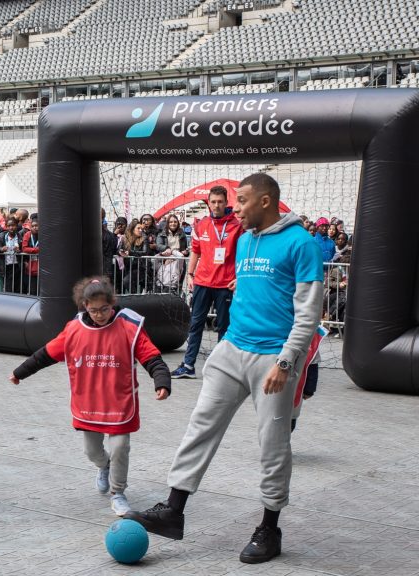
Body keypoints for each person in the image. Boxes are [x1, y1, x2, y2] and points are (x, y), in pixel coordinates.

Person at [124, 173, 325, 565]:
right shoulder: (246, 238)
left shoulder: (301, 244)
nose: (235, 207)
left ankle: (270, 528)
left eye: (243, 200)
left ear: (265, 202)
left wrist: (287, 361)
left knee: (273, 443)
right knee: (200, 425)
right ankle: (174, 510)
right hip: (232, 348)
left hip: (274, 358)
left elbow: (309, 313)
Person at [9, 277, 171, 516]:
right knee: (92, 451)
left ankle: (118, 493)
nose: (99, 314)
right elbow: (45, 354)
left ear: (113, 303)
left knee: (120, 448)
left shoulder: (128, 326)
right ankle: (103, 466)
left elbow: (152, 358)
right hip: (89, 404)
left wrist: (162, 382)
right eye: (93, 310)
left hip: (119, 403)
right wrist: (19, 372)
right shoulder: (74, 330)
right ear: (84, 305)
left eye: (104, 309)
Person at [171, 186, 243, 379]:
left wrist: (240, 277)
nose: (216, 205)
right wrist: (190, 274)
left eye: (220, 202)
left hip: (225, 284)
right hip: (202, 282)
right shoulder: (201, 224)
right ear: (208, 203)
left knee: (224, 327)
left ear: (226, 202)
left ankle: (221, 368)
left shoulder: (238, 225)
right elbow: (196, 250)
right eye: (213, 202)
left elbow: (245, 253)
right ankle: (188, 365)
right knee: (195, 324)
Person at [155, 214, 189, 294]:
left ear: (178, 223)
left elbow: (185, 248)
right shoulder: (162, 233)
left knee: (176, 284)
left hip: (179, 261)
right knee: (164, 283)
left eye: (175, 222)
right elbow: (159, 245)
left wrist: (186, 252)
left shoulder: (182, 234)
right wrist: (167, 249)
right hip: (165, 260)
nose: (173, 224)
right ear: (167, 223)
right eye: (170, 222)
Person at [0, 217, 23, 293]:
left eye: (13, 225)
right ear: (6, 227)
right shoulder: (1, 236)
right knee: (8, 288)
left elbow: (25, 249)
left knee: (18, 288)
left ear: (16, 225)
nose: (11, 227)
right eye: (9, 225)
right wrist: (1, 249)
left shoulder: (20, 236)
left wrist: (19, 251)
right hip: (5, 266)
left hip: (17, 266)